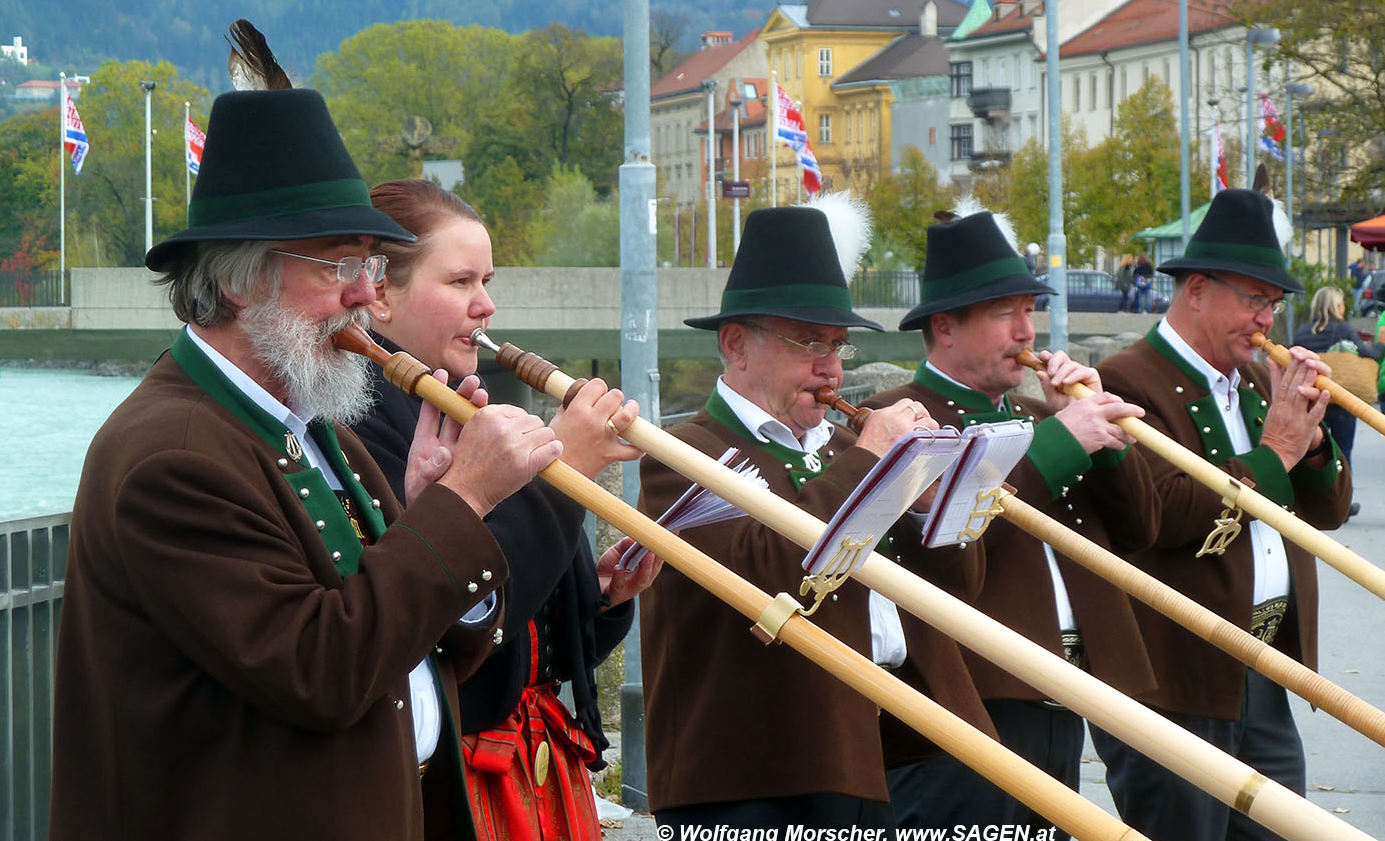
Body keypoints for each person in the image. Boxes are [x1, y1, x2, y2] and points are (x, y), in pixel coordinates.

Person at [48, 88, 563, 841]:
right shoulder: (169, 458)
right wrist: (462, 504)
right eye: (335, 268)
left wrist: (430, 513)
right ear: (237, 280)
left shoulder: (313, 425)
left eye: (370, 264)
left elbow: (428, 646)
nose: (364, 296)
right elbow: (322, 670)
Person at [352, 178, 662, 839]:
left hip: (542, 763)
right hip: (463, 777)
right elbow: (456, 625)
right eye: (461, 282)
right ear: (379, 293)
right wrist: (568, 471)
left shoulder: (467, 407)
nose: (486, 306)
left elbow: (534, 641)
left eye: (487, 281)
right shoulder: (362, 424)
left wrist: (598, 597)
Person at [639, 203, 938, 831]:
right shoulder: (685, 451)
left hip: (860, 755)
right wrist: (872, 462)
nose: (831, 368)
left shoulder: (835, 453)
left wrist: (932, 490)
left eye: (836, 345)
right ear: (736, 344)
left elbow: (947, 589)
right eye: (808, 342)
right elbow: (771, 571)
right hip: (742, 784)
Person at [864, 207, 1159, 837]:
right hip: (973, 696)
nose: (1029, 331)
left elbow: (1141, 530)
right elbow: (945, 538)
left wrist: (1103, 434)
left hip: (1064, 689)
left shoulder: (1037, 412)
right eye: (1008, 314)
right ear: (945, 326)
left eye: (1030, 311)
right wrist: (1055, 443)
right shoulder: (897, 417)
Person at [1093, 188, 1353, 841]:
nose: (1266, 321)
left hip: (1258, 669)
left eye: (1273, 303)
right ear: (1198, 291)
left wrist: (1314, 443)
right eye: (1253, 299)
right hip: (1173, 678)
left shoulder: (1260, 381)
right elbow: (1170, 517)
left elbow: (1328, 511)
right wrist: (1278, 449)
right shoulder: (1128, 381)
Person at [1291, 286, 1361, 466]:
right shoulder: (1344, 329)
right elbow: (1367, 353)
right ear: (1337, 306)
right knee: (1343, 454)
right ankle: (1342, 491)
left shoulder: (1302, 332)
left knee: (1313, 453)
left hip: (1310, 400)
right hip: (1340, 401)